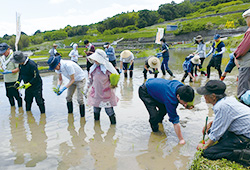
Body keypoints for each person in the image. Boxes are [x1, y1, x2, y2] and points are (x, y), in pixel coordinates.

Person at [196, 80, 250, 167]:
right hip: (243, 130)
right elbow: (228, 117)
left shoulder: (222, 106)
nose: (204, 96)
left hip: (246, 137)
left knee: (208, 153)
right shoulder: (227, 100)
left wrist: (204, 146)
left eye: (205, 94)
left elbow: (215, 135)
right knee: (211, 130)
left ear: (213, 96)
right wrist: (212, 123)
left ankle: (243, 154)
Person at [138, 78, 195, 144]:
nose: (186, 105)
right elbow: (175, 121)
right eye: (185, 102)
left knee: (164, 109)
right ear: (178, 96)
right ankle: (155, 132)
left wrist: (186, 104)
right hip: (145, 92)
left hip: (158, 91)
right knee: (154, 115)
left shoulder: (182, 88)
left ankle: (159, 122)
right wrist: (181, 139)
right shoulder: (170, 99)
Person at [86, 49, 119, 124]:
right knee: (96, 110)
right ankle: (97, 128)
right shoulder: (93, 68)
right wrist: (86, 89)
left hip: (106, 93)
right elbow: (90, 80)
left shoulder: (108, 68)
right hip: (96, 93)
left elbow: (115, 79)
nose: (95, 61)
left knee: (109, 111)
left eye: (96, 60)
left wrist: (113, 85)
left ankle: (113, 127)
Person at [234, 9, 250, 105]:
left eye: (246, 19)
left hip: (247, 64)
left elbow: (243, 49)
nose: (246, 21)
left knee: (243, 90)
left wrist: (236, 54)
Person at [0, 43, 22, 107]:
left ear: (8, 49)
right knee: (9, 96)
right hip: (6, 80)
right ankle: (13, 110)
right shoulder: (2, 58)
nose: (3, 53)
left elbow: (18, 68)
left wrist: (10, 71)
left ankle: (21, 110)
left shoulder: (14, 57)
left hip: (14, 80)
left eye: (4, 52)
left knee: (17, 96)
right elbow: (1, 66)